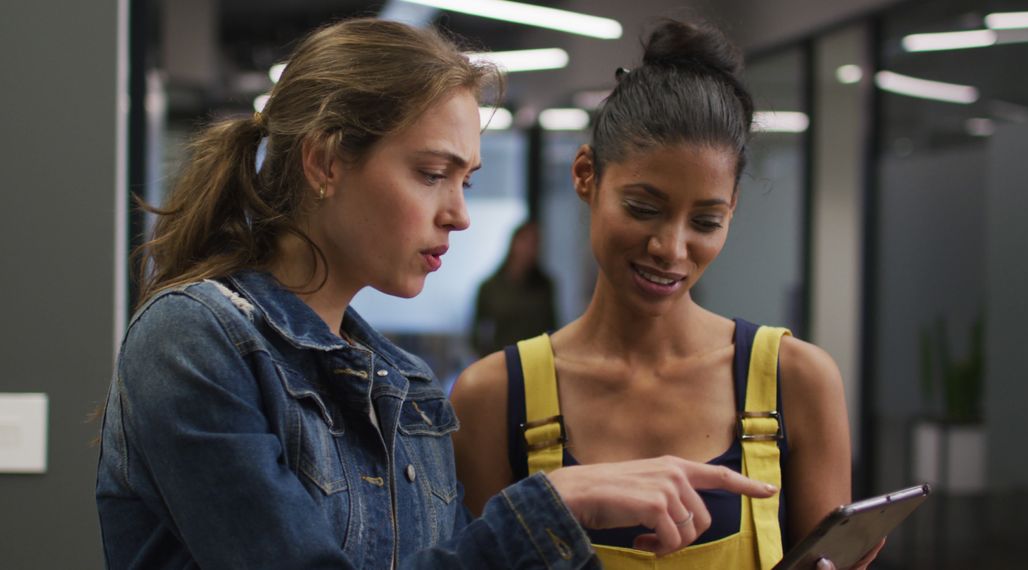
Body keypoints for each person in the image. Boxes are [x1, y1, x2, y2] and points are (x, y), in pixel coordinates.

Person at [94, 17, 778, 569]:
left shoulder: (405, 386)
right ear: (326, 161)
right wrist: (550, 506)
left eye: (467, 181)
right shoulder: (195, 342)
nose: (459, 214)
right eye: (431, 174)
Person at [450, 19, 883, 569]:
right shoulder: (492, 398)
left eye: (706, 220)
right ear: (586, 175)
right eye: (643, 207)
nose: (671, 248)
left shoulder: (796, 381)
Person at [470, 220, 558, 357]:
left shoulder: (545, 285)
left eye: (535, 244)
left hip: (536, 360)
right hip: (501, 361)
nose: (530, 250)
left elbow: (552, 328)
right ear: (514, 243)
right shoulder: (490, 287)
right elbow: (477, 333)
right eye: (526, 242)